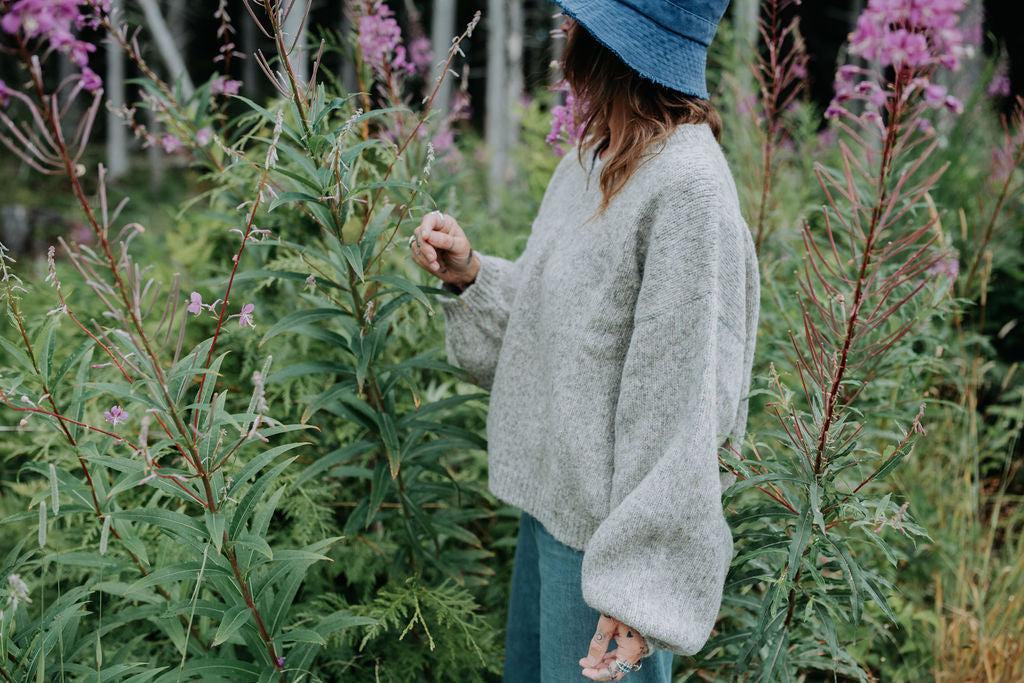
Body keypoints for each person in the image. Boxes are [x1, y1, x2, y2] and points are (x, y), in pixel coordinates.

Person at [408, 0, 758, 680]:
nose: (561, 34)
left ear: (612, 46)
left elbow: (684, 404)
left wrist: (636, 589)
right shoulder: (596, 157)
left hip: (609, 555)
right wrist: (472, 275)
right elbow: (565, 332)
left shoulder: (687, 186)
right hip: (556, 512)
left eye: (576, 23)